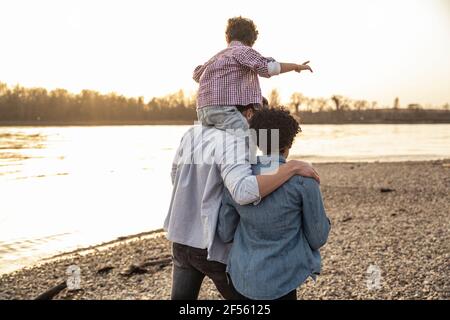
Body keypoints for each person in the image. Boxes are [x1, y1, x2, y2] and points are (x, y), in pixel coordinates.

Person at [164, 104, 320, 300]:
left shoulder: (192, 133)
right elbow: (243, 191)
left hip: (180, 236)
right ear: (248, 113)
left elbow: (174, 176)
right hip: (210, 242)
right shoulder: (234, 141)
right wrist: (292, 168)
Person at [218, 107, 331, 300]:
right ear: (289, 143)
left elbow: (225, 232)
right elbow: (318, 238)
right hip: (284, 278)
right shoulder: (304, 180)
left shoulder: (238, 178)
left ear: (257, 140)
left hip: (243, 276)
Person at [194, 16, 312, 132]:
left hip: (203, 112)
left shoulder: (215, 57)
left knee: (221, 142)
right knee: (247, 139)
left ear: (227, 37)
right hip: (225, 110)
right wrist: (296, 66)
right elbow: (270, 68)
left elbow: (196, 75)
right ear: (251, 41)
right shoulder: (244, 51)